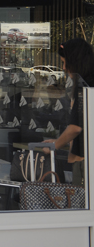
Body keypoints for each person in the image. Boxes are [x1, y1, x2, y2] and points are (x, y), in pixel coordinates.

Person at [43, 39, 94, 186]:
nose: (64, 68)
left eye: (65, 63)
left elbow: (76, 127)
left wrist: (55, 146)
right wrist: (60, 141)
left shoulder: (84, 88)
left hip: (85, 162)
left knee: (84, 205)